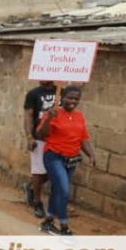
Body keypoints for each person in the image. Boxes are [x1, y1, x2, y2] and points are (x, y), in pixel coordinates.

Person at [36, 85, 96, 236]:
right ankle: (64, 227)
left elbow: (83, 139)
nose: (73, 101)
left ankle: (48, 221)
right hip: (54, 156)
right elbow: (41, 134)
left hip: (72, 159)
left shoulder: (79, 116)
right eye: (70, 98)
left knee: (58, 190)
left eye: (76, 99)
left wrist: (91, 154)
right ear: (62, 98)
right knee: (63, 190)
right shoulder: (53, 113)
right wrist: (49, 118)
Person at [22, 80, 57, 218]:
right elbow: (28, 117)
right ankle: (37, 202)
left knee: (53, 172)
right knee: (38, 171)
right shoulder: (33, 94)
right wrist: (29, 137)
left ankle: (30, 186)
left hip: (57, 140)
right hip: (39, 139)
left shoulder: (62, 92)